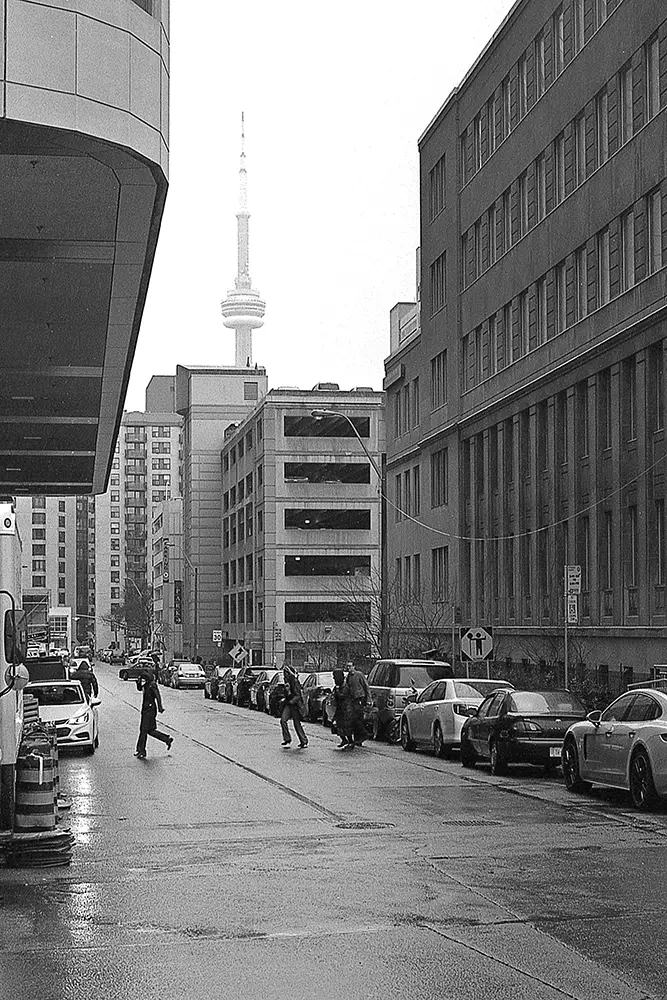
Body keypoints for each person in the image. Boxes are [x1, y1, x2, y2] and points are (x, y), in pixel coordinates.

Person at [134, 669, 173, 759]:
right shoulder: (147, 684)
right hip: (145, 710)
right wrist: (138, 682)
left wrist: (160, 707)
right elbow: (140, 688)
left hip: (150, 711)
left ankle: (141, 751)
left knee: (143, 730)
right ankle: (167, 739)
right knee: (150, 731)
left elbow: (157, 696)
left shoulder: (152, 685)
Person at [280, 664, 308, 748]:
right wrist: (287, 691)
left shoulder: (294, 682)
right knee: (283, 720)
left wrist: (292, 700)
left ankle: (304, 740)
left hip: (295, 705)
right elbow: (286, 695)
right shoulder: (287, 683)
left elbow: (298, 695)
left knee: (297, 723)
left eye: (285, 673)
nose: (284, 675)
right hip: (289, 704)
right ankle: (287, 739)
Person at [345, 662, 372, 747]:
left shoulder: (359, 675)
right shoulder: (348, 677)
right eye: (347, 666)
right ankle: (358, 739)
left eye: (350, 666)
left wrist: (368, 699)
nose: (348, 668)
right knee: (354, 720)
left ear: (354, 666)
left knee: (358, 719)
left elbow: (366, 686)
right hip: (352, 700)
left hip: (360, 699)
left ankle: (362, 736)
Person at [331, 668, 353, 748]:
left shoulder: (345, 686)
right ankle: (344, 739)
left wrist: (337, 691)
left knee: (346, 726)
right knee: (337, 725)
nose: (334, 679)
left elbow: (342, 696)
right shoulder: (339, 686)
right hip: (340, 708)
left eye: (334, 677)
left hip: (346, 709)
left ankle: (350, 741)